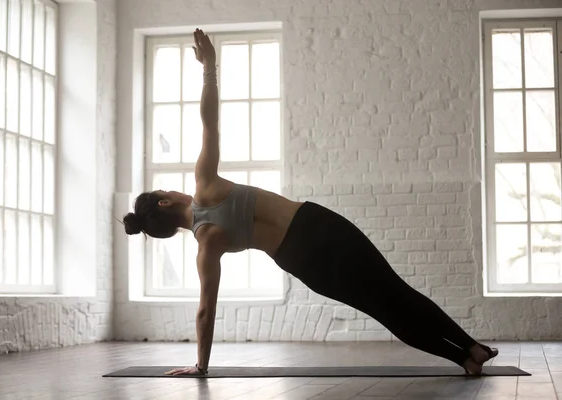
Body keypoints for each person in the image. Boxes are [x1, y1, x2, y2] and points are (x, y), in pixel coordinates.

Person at [123, 28, 498, 377]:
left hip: (300, 262)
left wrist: (201, 366)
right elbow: (210, 123)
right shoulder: (204, 184)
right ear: (165, 202)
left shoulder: (206, 244)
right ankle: (471, 346)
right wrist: (210, 68)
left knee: (383, 310)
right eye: (166, 191)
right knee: (396, 291)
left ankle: (465, 359)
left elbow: (206, 309)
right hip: (315, 226)